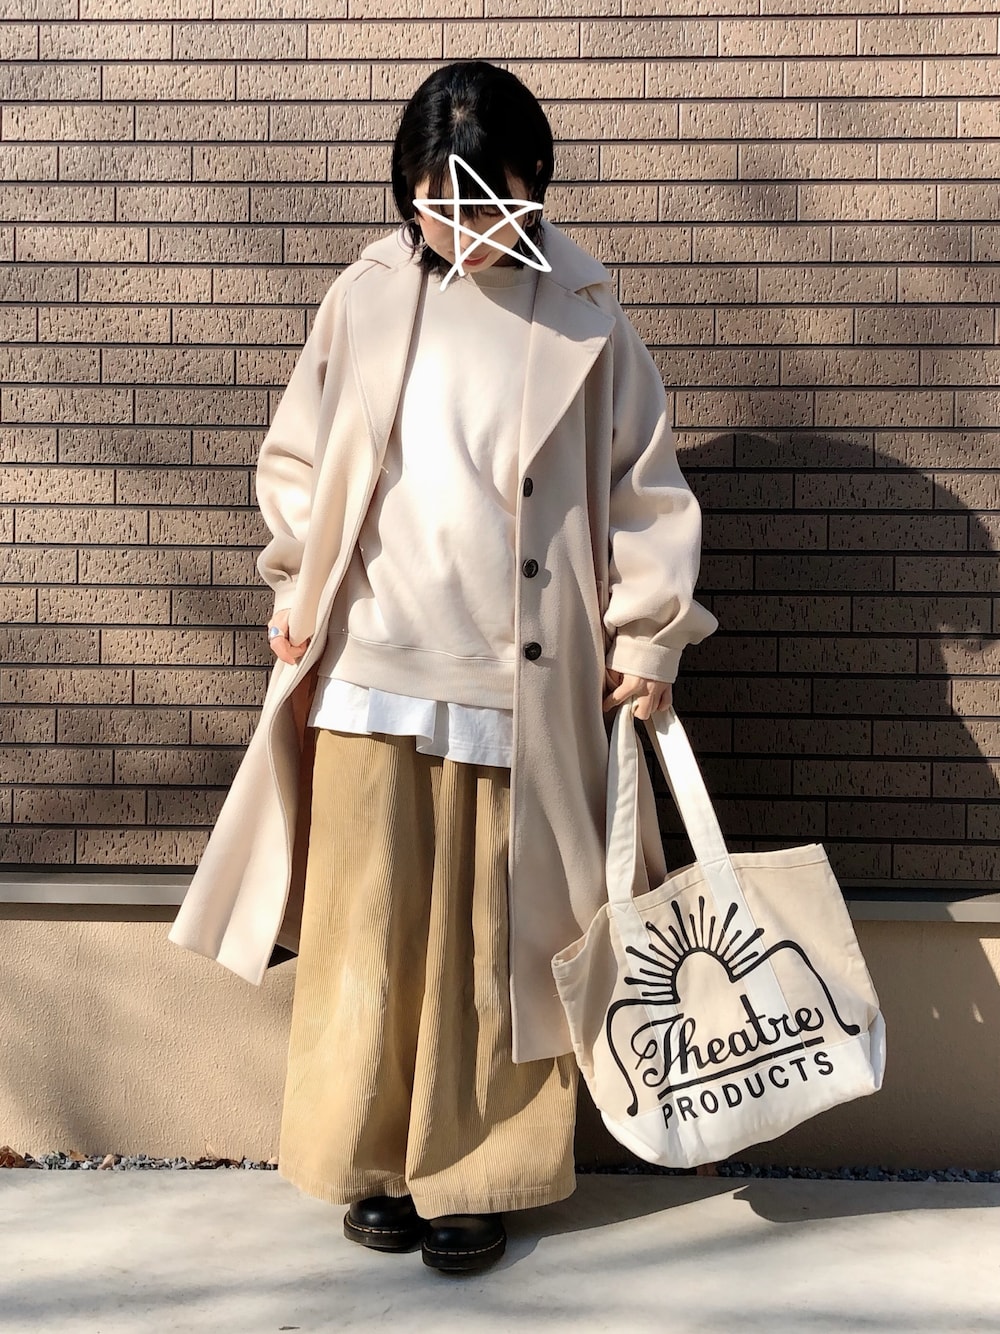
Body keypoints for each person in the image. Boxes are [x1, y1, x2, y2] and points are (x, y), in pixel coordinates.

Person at [167, 59, 718, 1274]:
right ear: (407, 192)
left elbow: (644, 490)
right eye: (437, 200)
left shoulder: (587, 314)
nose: (462, 226)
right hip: (369, 667)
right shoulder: (363, 295)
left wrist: (647, 635)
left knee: (495, 947)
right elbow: (298, 457)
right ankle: (367, 1157)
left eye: (487, 197)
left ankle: (477, 1171)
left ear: (535, 179)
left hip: (522, 682)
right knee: (364, 935)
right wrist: (294, 582)